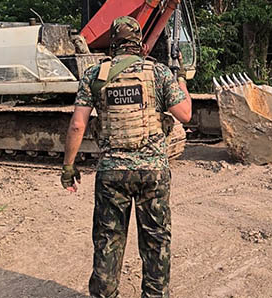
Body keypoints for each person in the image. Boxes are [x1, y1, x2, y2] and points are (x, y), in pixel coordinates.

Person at [60, 15, 192, 298]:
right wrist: (181, 79)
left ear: (112, 43)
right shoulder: (158, 73)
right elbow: (185, 114)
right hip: (152, 173)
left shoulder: (95, 75)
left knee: (108, 239)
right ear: (140, 43)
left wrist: (68, 167)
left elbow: (77, 125)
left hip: (111, 174)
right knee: (156, 239)